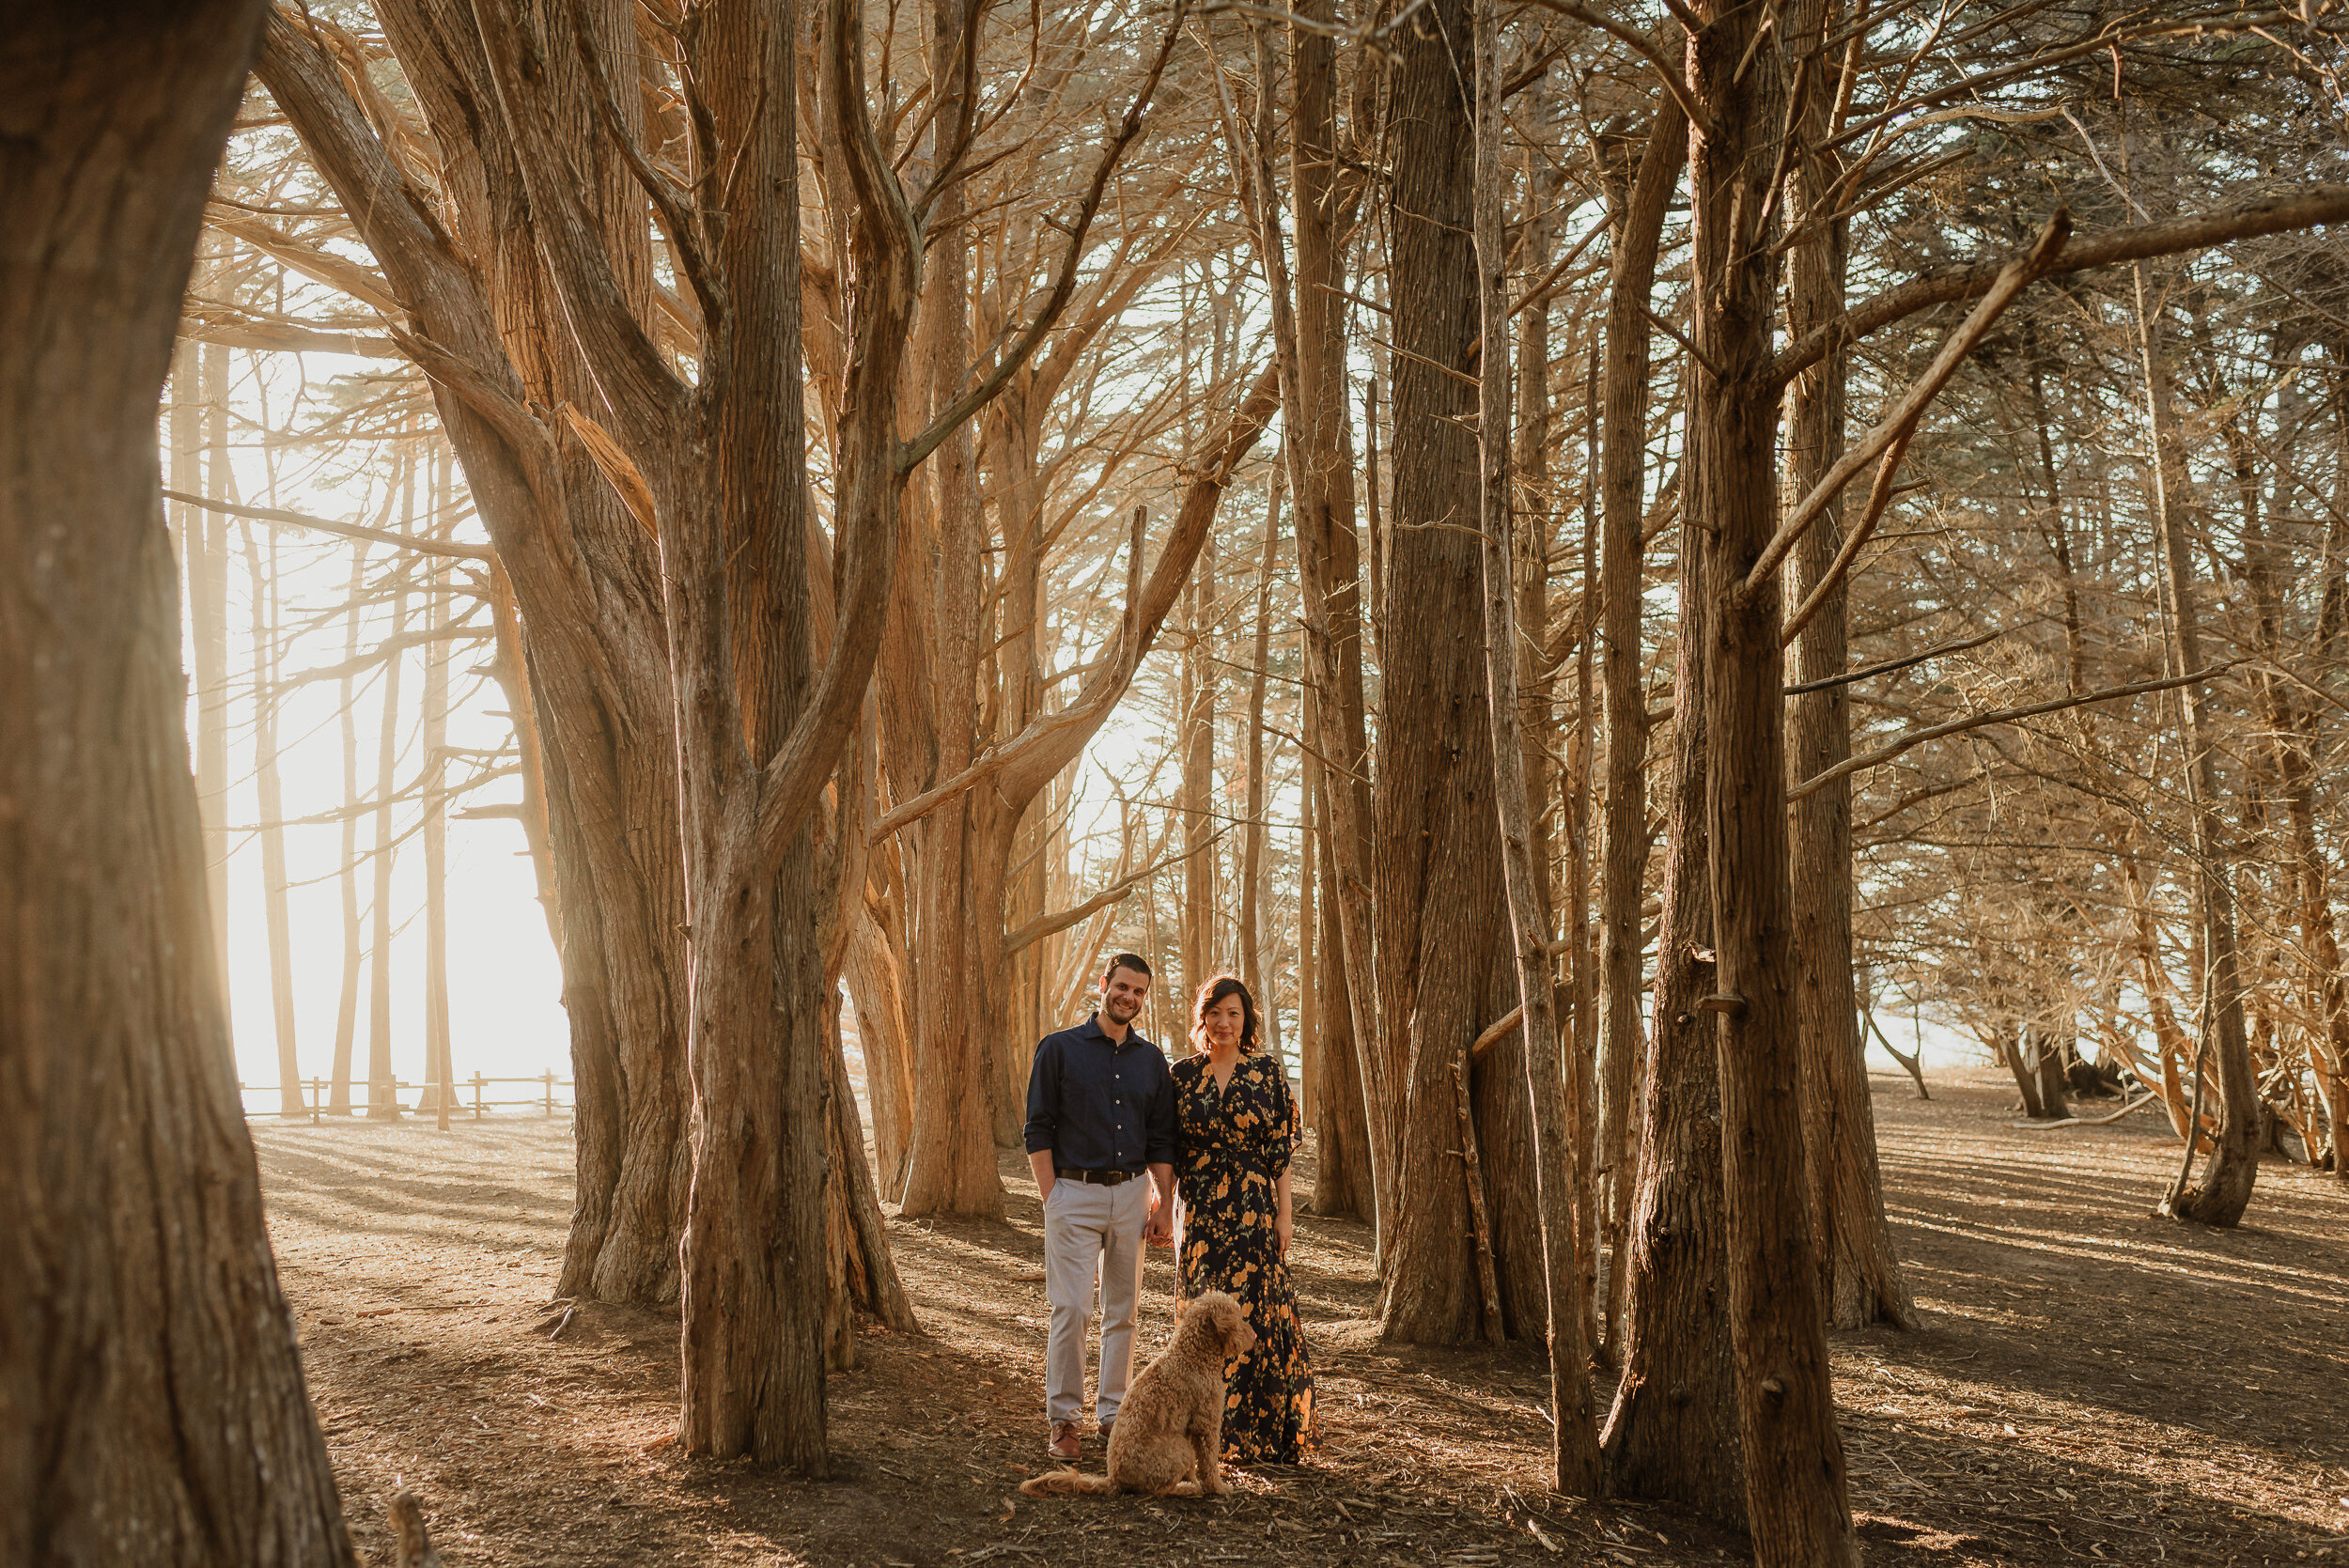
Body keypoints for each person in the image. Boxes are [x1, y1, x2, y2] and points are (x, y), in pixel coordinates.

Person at [1024, 953, 1177, 1462]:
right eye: (1122, 987)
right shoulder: (1059, 1049)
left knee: (1124, 1312)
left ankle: (1114, 1417)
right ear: (1104, 985)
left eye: (1139, 992)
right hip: (1074, 1192)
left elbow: (1160, 1140)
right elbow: (1037, 1129)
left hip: (1132, 1195)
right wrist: (1054, 1198)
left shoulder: (1152, 1061)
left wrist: (1163, 1204)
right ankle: (1064, 1420)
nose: (1128, 998)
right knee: (1070, 1308)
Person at [1170, 974, 1318, 1465]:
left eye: (1234, 1013)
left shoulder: (1268, 1072)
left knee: (1256, 1316)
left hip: (1254, 1208)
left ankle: (1258, 1433)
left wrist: (1285, 1215)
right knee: (1203, 1321)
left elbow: (1280, 1152)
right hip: (1203, 1211)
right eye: (1215, 1013)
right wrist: (1160, 1204)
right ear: (1203, 1019)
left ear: (1246, 1020)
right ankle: (1203, 1436)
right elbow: (1171, 1149)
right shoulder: (1183, 1075)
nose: (1224, 1022)